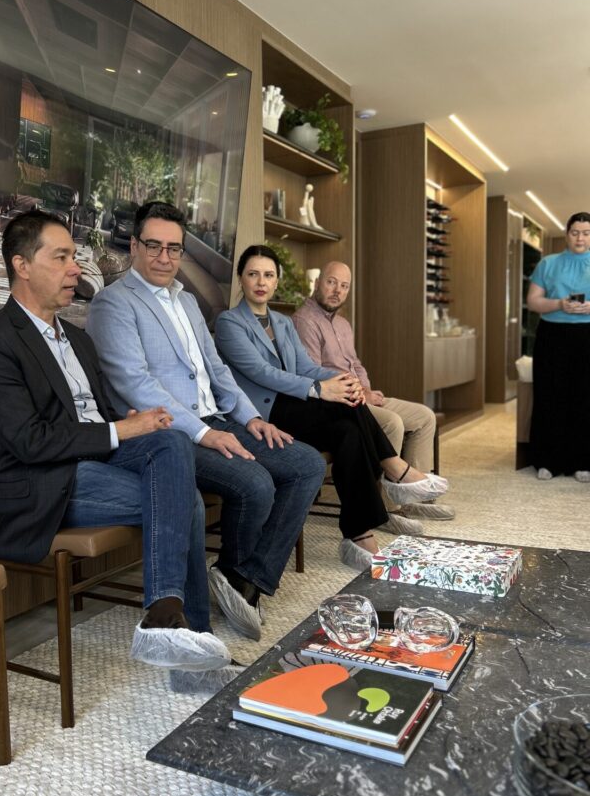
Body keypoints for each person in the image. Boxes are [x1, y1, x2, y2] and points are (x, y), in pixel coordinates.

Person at [0, 211, 232, 679]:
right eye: (61, 257)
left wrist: (133, 423)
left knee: (170, 443)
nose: (76, 269)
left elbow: (97, 416)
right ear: (22, 266)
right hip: (38, 483)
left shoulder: (78, 339)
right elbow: (29, 442)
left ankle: (169, 623)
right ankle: (184, 639)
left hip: (94, 462)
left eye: (74, 257)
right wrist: (121, 431)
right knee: (183, 500)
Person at [87, 202, 326, 642]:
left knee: (307, 464)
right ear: (134, 246)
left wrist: (250, 418)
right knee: (255, 483)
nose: (164, 257)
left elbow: (216, 369)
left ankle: (243, 578)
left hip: (217, 418)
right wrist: (205, 433)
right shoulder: (113, 303)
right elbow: (136, 384)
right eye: (154, 246)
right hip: (169, 434)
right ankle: (235, 580)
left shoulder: (188, 302)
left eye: (174, 248)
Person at [214, 245, 449, 569]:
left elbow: (306, 367)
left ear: (277, 281)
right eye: (253, 274)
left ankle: (358, 533)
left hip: (296, 405)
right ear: (241, 278)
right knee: (344, 407)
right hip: (265, 413)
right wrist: (319, 389)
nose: (261, 282)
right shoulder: (229, 322)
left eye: (268, 275)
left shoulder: (282, 323)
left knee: (348, 431)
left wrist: (342, 380)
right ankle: (394, 469)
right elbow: (261, 373)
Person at [292, 260, 454, 521]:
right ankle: (390, 509)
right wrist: (360, 393)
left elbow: (355, 364)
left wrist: (366, 389)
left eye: (344, 286)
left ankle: (413, 498)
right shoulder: (304, 320)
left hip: (361, 394)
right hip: (338, 401)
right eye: (331, 282)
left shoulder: (343, 324)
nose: (337, 290)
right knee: (392, 422)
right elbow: (313, 372)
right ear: (318, 283)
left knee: (424, 417)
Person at [526, 211, 590, 481]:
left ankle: (583, 461)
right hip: (552, 335)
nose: (580, 238)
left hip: (587, 335)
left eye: (586, 233)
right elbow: (533, 301)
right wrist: (559, 304)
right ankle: (547, 459)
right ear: (567, 234)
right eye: (575, 232)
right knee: (549, 394)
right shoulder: (548, 263)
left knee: (585, 396)